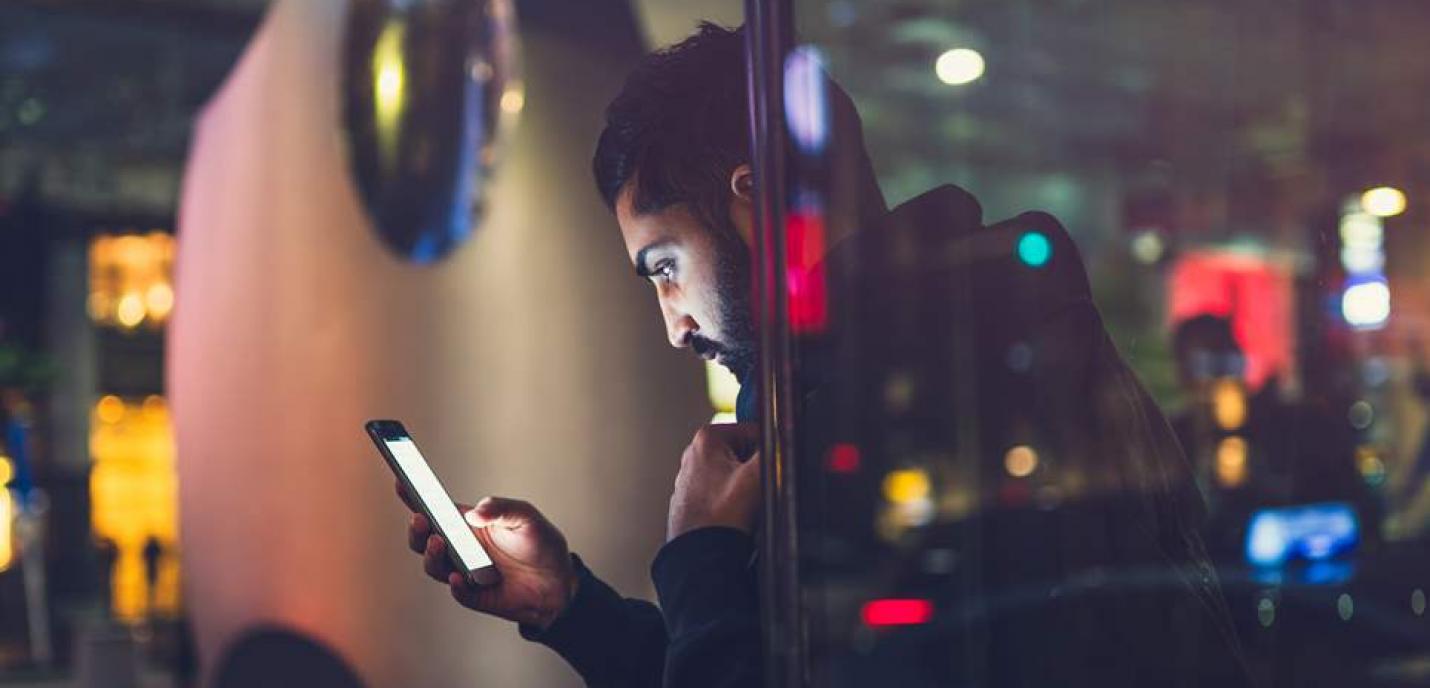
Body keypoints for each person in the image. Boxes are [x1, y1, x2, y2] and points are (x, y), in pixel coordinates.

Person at [397, 23, 1252, 687]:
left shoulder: (889, 413)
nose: (675, 325)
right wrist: (572, 608)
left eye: (666, 268)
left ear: (755, 204)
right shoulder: (963, 347)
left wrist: (700, 558)